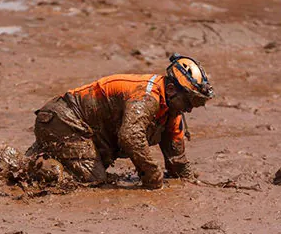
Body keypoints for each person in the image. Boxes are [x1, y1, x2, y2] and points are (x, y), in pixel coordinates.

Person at [28, 53, 215, 189]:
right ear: (172, 89)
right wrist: (152, 174)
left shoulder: (172, 111)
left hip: (84, 128)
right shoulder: (146, 96)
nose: (189, 109)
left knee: (96, 170)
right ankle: (33, 168)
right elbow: (131, 136)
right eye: (189, 102)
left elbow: (177, 159)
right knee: (93, 178)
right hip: (64, 119)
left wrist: (189, 181)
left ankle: (42, 158)